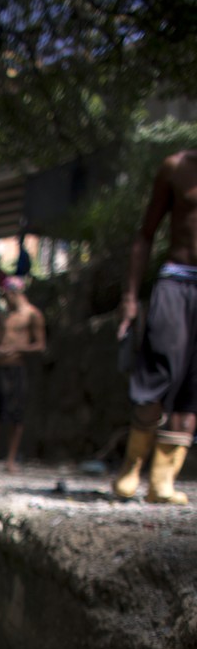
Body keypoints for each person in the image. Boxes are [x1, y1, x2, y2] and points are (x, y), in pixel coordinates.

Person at [114, 150, 197, 505]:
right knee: (156, 372)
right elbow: (145, 234)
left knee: (192, 387)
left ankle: (162, 481)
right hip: (176, 280)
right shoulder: (177, 167)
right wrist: (130, 296)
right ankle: (132, 466)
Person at [0, 276, 46, 471]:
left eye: (6, 295)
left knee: (15, 415)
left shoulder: (32, 315)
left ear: (14, 293)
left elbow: (40, 344)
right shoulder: (4, 316)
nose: (5, 299)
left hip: (15, 367)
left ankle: (10, 460)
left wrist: (16, 348)